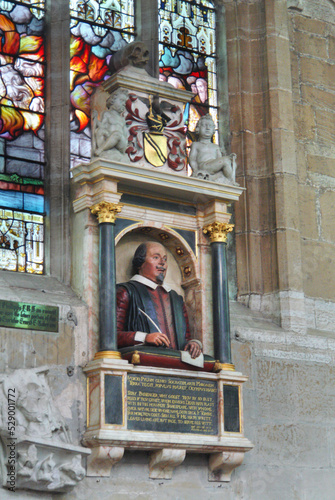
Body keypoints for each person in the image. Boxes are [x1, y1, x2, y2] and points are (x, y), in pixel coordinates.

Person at [116, 241, 202, 359]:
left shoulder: (176, 299)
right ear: (140, 263)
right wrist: (145, 338)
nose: (162, 263)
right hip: (142, 364)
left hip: (175, 365)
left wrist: (193, 344)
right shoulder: (126, 292)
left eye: (165, 259)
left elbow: (184, 339)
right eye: (156, 257)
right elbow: (111, 336)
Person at [189, 114, 237, 184]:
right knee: (226, 160)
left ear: (213, 130)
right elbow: (192, 159)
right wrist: (195, 170)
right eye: (204, 125)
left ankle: (227, 180)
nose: (207, 128)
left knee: (228, 161)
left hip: (213, 167)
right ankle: (230, 181)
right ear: (198, 129)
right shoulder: (196, 145)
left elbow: (219, 159)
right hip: (203, 166)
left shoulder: (215, 147)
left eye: (210, 126)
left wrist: (229, 158)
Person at [93, 89, 129, 161]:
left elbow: (125, 134)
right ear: (113, 101)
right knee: (100, 131)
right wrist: (95, 119)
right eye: (121, 101)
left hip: (120, 142)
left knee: (117, 134)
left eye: (125, 102)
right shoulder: (106, 114)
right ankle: (104, 151)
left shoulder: (122, 119)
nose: (124, 104)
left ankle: (101, 149)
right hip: (110, 138)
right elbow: (102, 126)